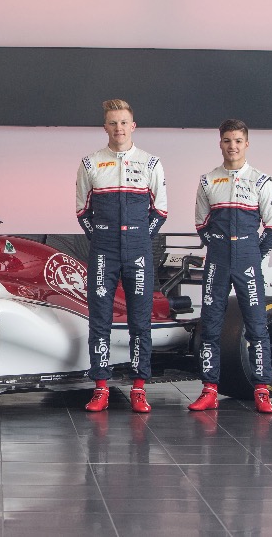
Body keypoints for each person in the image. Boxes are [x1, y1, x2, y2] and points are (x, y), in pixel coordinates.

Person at [76, 99, 167, 413]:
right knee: (99, 320)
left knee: (140, 321)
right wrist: (104, 236)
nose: (119, 128)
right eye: (113, 123)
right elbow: (82, 212)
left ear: (133, 126)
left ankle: (139, 388)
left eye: (124, 122)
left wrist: (137, 237)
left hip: (138, 251)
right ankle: (100, 387)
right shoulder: (90, 163)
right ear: (105, 127)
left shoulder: (151, 163)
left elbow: (160, 211)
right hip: (104, 251)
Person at [188, 119, 272, 414]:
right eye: (227, 140)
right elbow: (201, 224)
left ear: (246, 144)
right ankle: (209, 390)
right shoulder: (208, 180)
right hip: (217, 259)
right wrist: (219, 247)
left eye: (238, 141)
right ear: (220, 143)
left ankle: (262, 390)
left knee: (256, 325)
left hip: (247, 260)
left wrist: (253, 254)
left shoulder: (261, 180)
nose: (233, 146)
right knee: (210, 325)